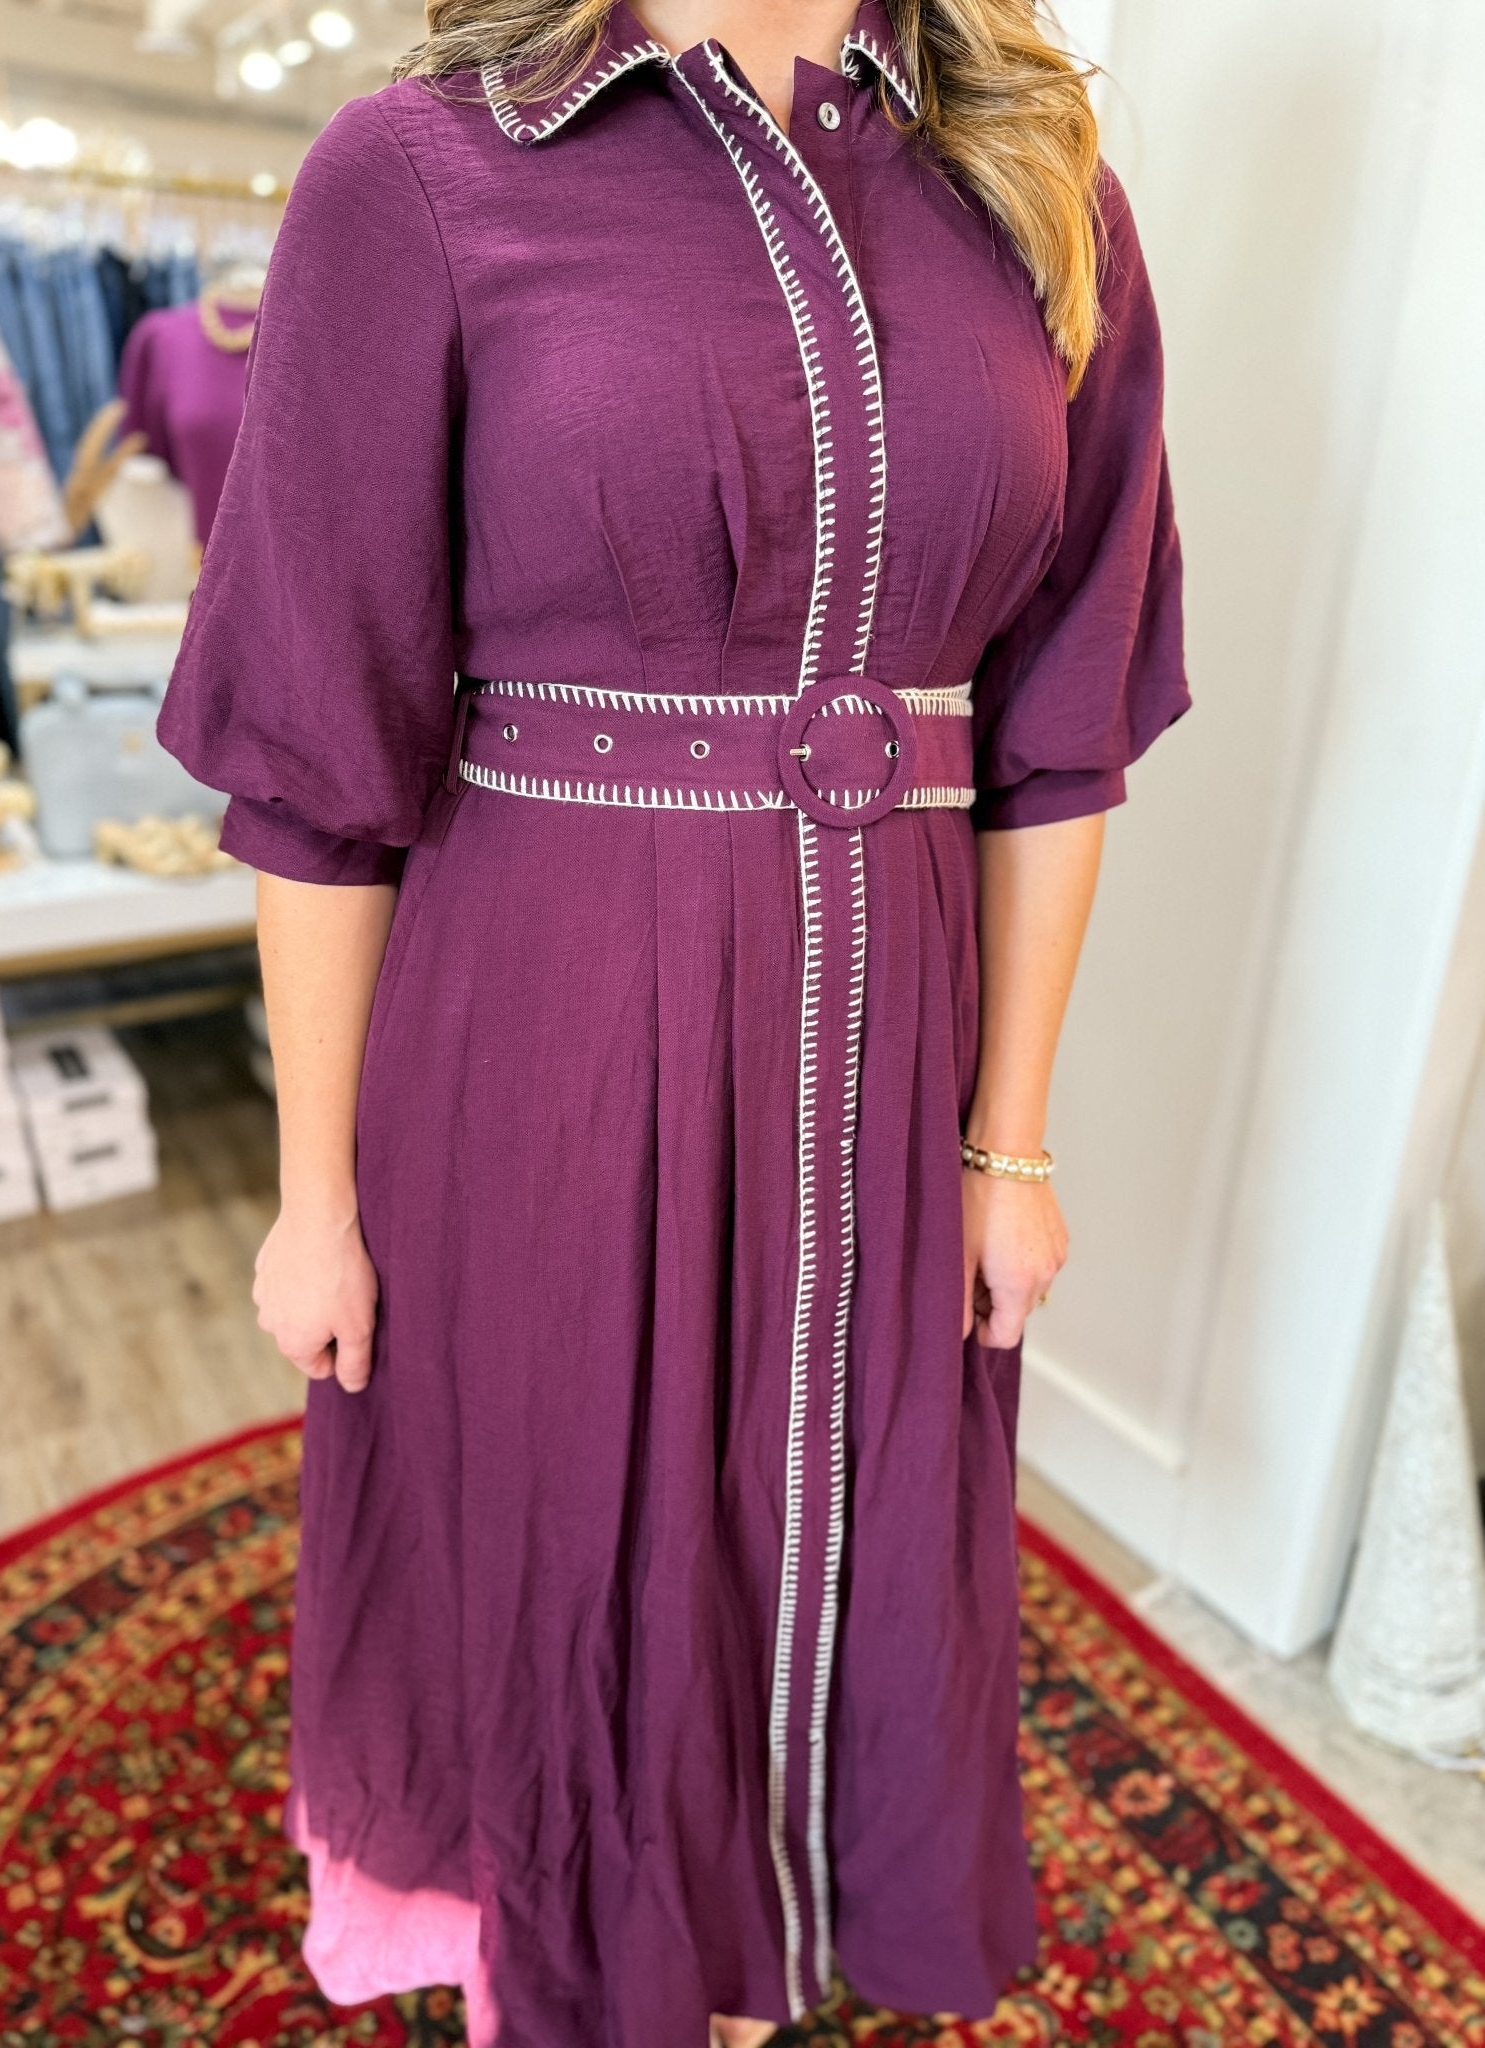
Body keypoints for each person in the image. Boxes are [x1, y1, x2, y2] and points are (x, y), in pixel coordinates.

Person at [156, 0, 1192, 2039]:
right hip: (542, 1038)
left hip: (894, 1056)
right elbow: (319, 761)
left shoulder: (1038, 183)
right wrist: (312, 1198)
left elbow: (1062, 729)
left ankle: (739, 1978)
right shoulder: (425, 169)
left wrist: (1011, 1139)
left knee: (832, 1570)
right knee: (573, 1571)